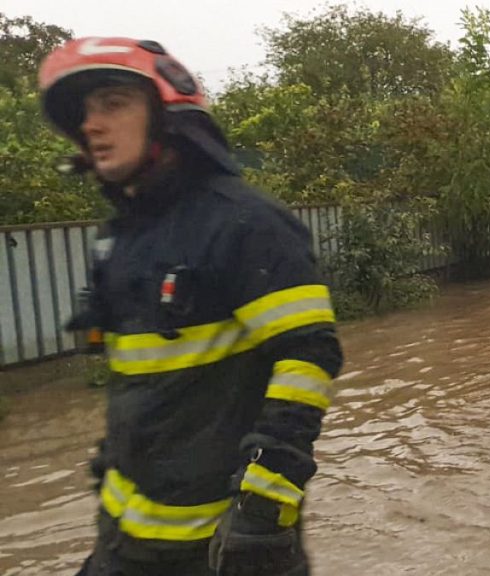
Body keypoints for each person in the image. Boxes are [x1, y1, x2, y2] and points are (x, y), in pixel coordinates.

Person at [40, 37, 343, 575]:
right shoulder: (121, 237)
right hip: (124, 541)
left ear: (167, 112)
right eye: (84, 111)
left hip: (226, 548)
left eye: (112, 103)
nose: (91, 124)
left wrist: (264, 508)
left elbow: (308, 355)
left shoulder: (244, 223)